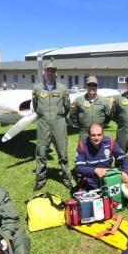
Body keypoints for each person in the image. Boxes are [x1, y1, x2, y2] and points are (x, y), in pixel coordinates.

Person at [32, 61, 73, 191]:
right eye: (48, 70)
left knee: (62, 153)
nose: (50, 72)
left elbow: (67, 107)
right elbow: (35, 106)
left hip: (58, 122)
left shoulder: (62, 89)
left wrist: (59, 117)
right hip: (43, 123)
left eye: (52, 70)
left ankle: (67, 179)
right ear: (44, 72)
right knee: (41, 152)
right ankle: (40, 180)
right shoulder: (37, 89)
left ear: (56, 72)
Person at [74, 123, 128, 191]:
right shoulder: (82, 145)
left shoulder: (110, 142)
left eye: (99, 135)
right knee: (85, 201)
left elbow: (124, 158)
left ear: (103, 134)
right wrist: (95, 170)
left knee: (120, 200)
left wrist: (125, 172)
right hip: (90, 182)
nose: (96, 138)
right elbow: (79, 168)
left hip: (109, 179)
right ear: (88, 135)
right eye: (93, 135)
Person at [68, 76, 114, 140]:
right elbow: (72, 114)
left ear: (97, 87)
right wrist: (79, 125)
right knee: (83, 149)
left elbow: (108, 115)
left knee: (98, 150)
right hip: (84, 132)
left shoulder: (104, 100)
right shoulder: (78, 100)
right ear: (85, 86)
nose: (92, 87)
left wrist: (103, 125)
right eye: (89, 85)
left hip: (98, 134)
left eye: (94, 85)